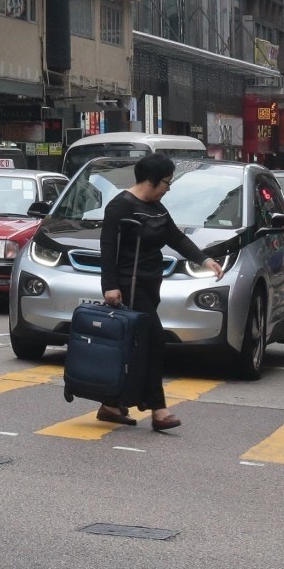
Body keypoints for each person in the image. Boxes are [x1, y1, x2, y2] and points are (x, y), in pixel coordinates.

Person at [97, 153, 224, 432]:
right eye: (167, 182)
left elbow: (175, 237)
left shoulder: (157, 208)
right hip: (129, 287)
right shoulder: (120, 206)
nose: (169, 187)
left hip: (151, 285)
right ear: (152, 180)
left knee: (135, 348)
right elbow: (109, 249)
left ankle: (110, 405)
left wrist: (204, 260)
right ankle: (159, 411)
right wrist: (110, 286)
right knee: (154, 343)